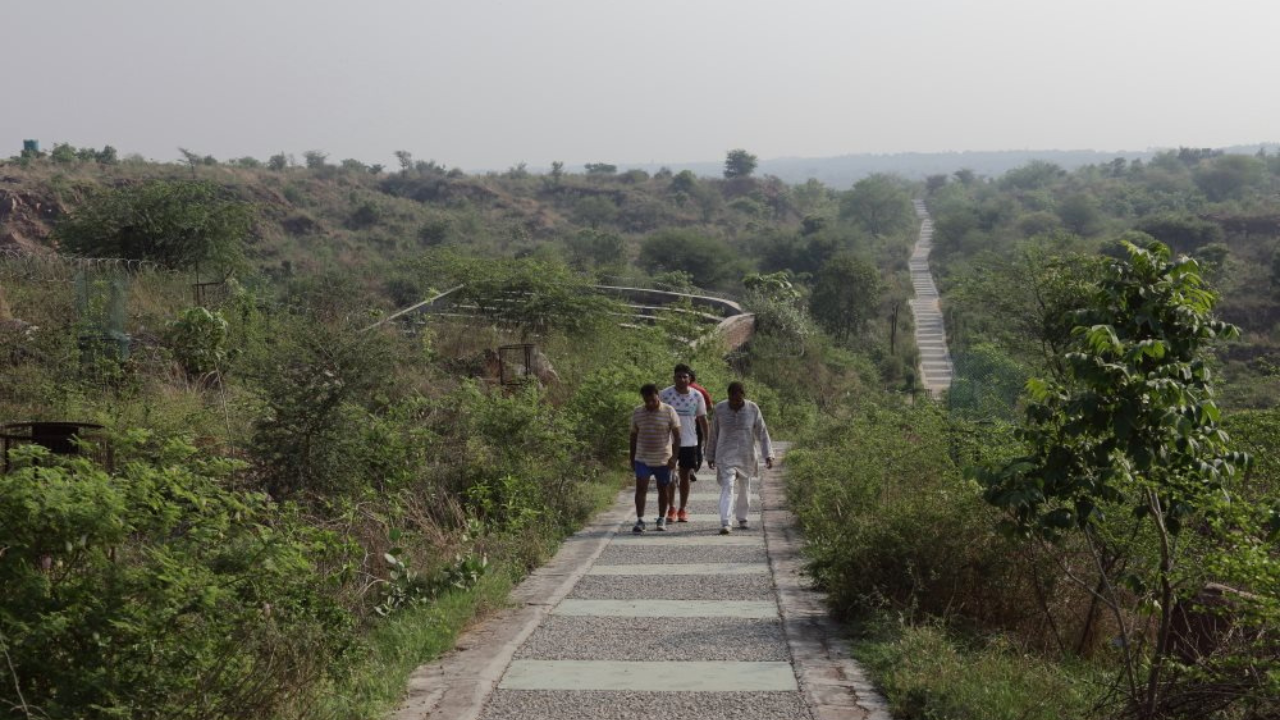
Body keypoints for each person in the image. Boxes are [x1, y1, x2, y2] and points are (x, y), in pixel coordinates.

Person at [706, 381, 774, 535]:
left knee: (745, 486)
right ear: (728, 395)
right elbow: (714, 433)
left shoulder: (752, 408)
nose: (735, 401)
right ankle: (726, 521)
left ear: (743, 396)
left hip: (746, 453)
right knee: (728, 485)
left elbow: (762, 432)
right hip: (725, 453)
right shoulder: (720, 409)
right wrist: (710, 455)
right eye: (732, 398)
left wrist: (768, 455)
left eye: (738, 398)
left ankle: (742, 517)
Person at [629, 383, 682, 533]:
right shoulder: (638, 412)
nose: (650, 403)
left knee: (663, 489)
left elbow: (678, 436)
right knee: (641, 488)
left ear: (657, 395)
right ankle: (640, 520)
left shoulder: (669, 411)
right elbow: (633, 436)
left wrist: (674, 458)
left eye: (652, 399)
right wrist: (632, 458)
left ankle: (661, 518)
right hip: (642, 457)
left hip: (663, 458)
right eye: (647, 401)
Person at [659, 364, 707, 523]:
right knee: (669, 477)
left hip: (689, 441)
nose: (681, 379)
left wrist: (707, 440)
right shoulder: (665, 394)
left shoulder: (697, 395)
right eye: (678, 376)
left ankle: (683, 509)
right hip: (668, 442)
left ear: (689, 378)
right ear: (674, 378)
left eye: (684, 376)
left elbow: (702, 419)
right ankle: (671, 508)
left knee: (685, 476)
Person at [686, 369, 713, 482]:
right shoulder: (701, 390)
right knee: (697, 446)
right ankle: (693, 468)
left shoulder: (675, 390)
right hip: (698, 421)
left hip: (682, 422)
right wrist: (702, 412)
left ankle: (686, 469)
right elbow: (710, 406)